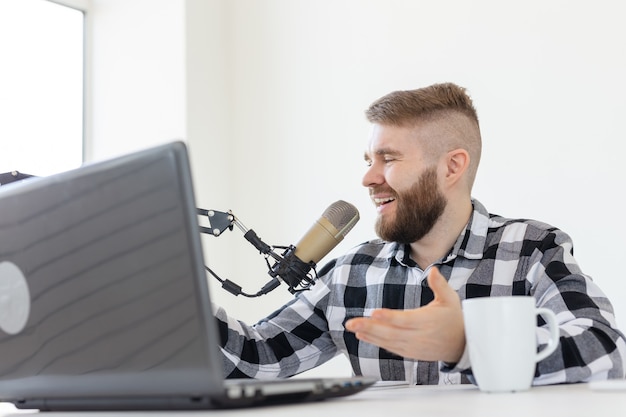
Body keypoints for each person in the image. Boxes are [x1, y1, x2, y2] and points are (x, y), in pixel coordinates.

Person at [214, 82, 626, 384]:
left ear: (451, 167)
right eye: (368, 159)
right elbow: (256, 360)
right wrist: (177, 293)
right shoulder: (351, 272)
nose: (368, 177)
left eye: (388, 158)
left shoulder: (532, 251)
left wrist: (466, 345)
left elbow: (606, 350)